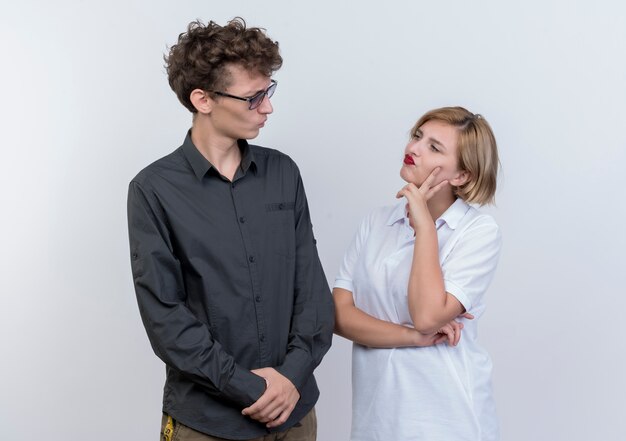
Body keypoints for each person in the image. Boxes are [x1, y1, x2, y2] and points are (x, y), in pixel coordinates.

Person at [127, 18, 334, 441]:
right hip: (208, 423)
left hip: (295, 414)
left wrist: (290, 378)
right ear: (203, 99)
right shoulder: (153, 190)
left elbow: (311, 289)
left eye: (268, 92)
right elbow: (166, 320)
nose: (268, 107)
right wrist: (254, 388)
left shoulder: (283, 173)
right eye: (253, 97)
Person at [334, 106, 502, 441]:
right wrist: (412, 337)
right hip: (376, 419)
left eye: (434, 147)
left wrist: (425, 227)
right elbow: (339, 317)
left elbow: (426, 316)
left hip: (446, 418)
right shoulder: (376, 221)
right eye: (417, 136)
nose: (414, 148)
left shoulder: (479, 231)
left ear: (462, 176)